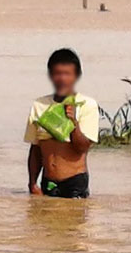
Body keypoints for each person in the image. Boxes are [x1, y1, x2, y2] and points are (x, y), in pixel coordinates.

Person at [24, 48, 99, 199]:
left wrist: (73, 123)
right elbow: (36, 148)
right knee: (44, 222)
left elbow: (82, 147)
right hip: (48, 182)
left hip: (74, 183)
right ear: (50, 75)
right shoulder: (40, 105)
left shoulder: (86, 105)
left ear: (76, 76)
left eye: (67, 74)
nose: (62, 79)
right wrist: (32, 183)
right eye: (57, 73)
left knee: (73, 222)